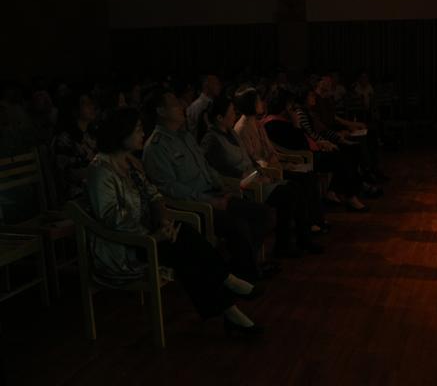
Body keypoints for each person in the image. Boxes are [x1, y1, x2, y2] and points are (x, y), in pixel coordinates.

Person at [87, 108, 263, 335]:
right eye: (138, 130)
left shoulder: (130, 163)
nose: (143, 134)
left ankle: (231, 304)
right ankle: (229, 294)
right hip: (125, 246)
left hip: (149, 233)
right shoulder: (101, 170)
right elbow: (112, 219)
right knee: (185, 252)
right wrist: (153, 235)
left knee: (186, 238)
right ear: (122, 133)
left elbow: (154, 195)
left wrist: (163, 221)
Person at [141, 90, 272, 279]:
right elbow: (169, 188)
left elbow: (206, 166)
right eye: (175, 104)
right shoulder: (157, 147)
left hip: (214, 194)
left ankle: (237, 268)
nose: (182, 106)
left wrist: (221, 186)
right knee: (239, 225)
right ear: (161, 111)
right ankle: (245, 274)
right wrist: (208, 201)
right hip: (193, 207)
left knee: (263, 214)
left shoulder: (185, 136)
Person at [201, 96, 321, 256]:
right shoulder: (211, 140)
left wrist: (260, 171)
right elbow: (219, 169)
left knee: (295, 188)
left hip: (254, 176)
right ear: (220, 118)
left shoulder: (232, 133)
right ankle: (285, 244)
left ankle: (300, 239)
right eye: (231, 112)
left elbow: (249, 158)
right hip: (242, 185)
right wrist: (251, 176)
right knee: (288, 193)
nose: (234, 115)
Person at [51, 93, 98, 202]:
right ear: (75, 109)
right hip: (77, 193)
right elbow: (67, 174)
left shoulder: (93, 134)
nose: (92, 107)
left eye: (92, 103)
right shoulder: (64, 139)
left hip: (96, 185)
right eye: (86, 104)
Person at [186, 74, 222, 142]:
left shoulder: (213, 103)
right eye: (216, 84)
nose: (219, 86)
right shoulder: (197, 106)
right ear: (206, 86)